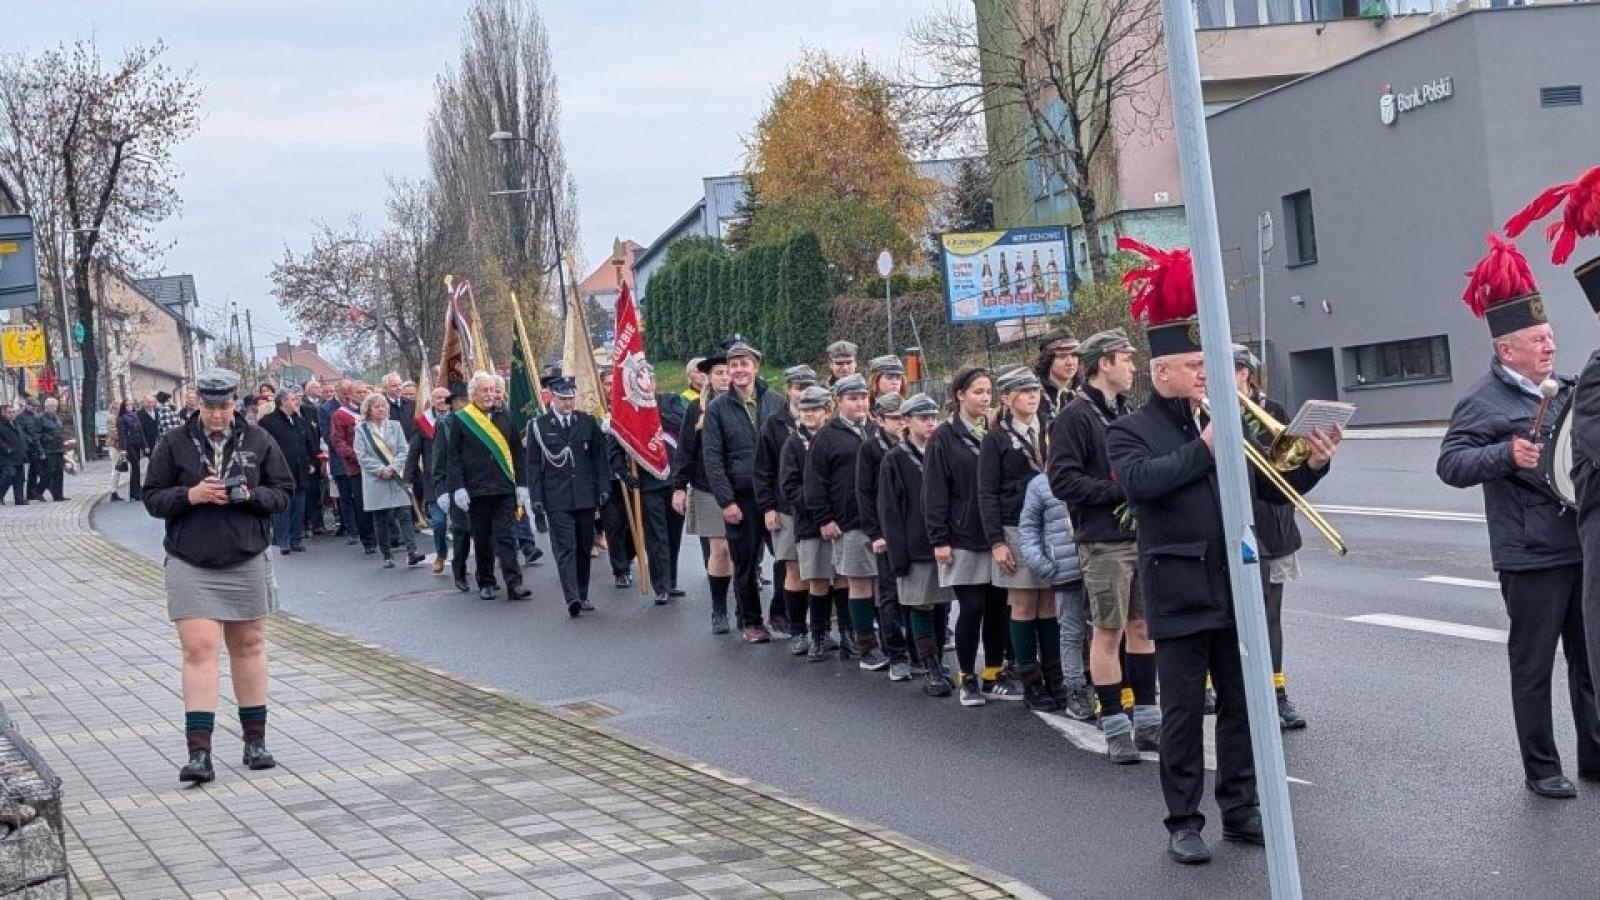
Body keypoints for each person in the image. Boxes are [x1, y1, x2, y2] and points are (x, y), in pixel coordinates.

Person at [1106, 238, 1338, 865]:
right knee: (1183, 716)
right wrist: (1206, 446)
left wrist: (1313, 464)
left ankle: (1240, 808)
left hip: (1238, 583)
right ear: (1162, 373)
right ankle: (1183, 820)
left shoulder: (1229, 420)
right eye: (1194, 366)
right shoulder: (1130, 430)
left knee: (1242, 705)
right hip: (1179, 590)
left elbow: (1271, 490)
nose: (1207, 375)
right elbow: (1140, 484)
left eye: (1208, 364)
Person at [1439, 234, 1600, 800]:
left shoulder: (1567, 388)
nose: (1550, 346)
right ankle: (1541, 767)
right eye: (1537, 340)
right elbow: (1450, 464)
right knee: (1533, 667)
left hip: (1576, 541)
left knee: (1590, 659)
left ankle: (1594, 754)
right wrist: (1504, 454)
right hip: (1530, 554)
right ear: (1507, 350)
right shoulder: (1482, 401)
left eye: (1550, 337)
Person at [141, 368, 295, 784]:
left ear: (234, 403)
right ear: (198, 404)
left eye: (224, 406)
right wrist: (190, 495)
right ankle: (200, 753)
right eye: (209, 407)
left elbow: (284, 492)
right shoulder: (174, 443)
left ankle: (255, 742)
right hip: (191, 559)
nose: (216, 414)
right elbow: (151, 497)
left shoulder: (259, 440)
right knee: (199, 649)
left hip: (245, 555)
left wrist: (250, 496)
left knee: (249, 644)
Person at [1048, 327, 1152, 762]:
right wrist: (1118, 491)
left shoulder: (1126, 410)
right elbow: (1062, 481)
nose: (1133, 367)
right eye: (1126, 359)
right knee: (1108, 632)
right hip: (1103, 540)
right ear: (1104, 363)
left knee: (1143, 628)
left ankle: (1148, 720)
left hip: (1138, 535)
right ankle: (1114, 726)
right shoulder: (1075, 416)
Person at [925, 367, 1018, 707]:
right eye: (978, 391)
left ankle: (993, 672)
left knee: (997, 606)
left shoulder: (995, 431)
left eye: (988, 391)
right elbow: (934, 490)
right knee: (972, 606)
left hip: (995, 532)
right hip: (961, 535)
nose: (985, 398)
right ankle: (967, 676)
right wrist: (939, 538)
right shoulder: (944, 437)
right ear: (960, 395)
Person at [1231, 344, 1307, 730]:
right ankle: (1230, 690)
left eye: (1233, 369)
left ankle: (1277, 693)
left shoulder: (1272, 411)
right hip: (1237, 527)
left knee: (1271, 613)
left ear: (1245, 373)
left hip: (1274, 527)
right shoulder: (1208, 412)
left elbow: (1291, 467)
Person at [979, 367, 1060, 712]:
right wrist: (996, 541)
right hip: (1014, 526)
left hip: (1050, 525)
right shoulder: (996, 439)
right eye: (1024, 392)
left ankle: (1055, 678)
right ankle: (1030, 680)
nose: (1032, 397)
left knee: (1049, 602)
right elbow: (987, 493)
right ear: (1007, 398)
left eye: (1035, 391)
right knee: (1024, 602)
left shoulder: (1051, 428)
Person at [703, 336, 788, 643]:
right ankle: (750, 620)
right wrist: (726, 501)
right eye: (734, 364)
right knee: (746, 563)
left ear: (756, 367)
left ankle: (780, 613)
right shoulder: (717, 408)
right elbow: (712, 458)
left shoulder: (776, 401)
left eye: (745, 364)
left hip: (775, 495)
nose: (739, 370)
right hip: (741, 497)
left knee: (785, 557)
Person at [806, 373, 887, 668]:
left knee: (882, 585)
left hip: (881, 520)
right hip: (849, 521)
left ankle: (887, 639)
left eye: (864, 398)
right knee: (859, 582)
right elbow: (814, 482)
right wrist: (824, 517)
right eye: (853, 399)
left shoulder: (876, 431)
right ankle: (866, 645)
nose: (860, 404)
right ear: (838, 401)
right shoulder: (826, 436)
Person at [879, 393, 955, 695]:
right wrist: (899, 555)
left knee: (941, 605)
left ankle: (936, 658)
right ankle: (928, 664)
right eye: (923, 418)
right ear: (907, 422)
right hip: (914, 545)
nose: (930, 423)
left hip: (943, 542)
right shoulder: (895, 459)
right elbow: (890, 510)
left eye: (934, 417)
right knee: (921, 604)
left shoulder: (941, 452)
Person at [527, 374, 610, 616]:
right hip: (556, 497)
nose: (568, 403)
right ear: (552, 398)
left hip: (584, 495)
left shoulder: (586, 422)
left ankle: (583, 594)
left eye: (571, 398)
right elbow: (533, 465)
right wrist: (536, 498)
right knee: (565, 547)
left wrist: (603, 488)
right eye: (563, 398)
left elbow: (599, 459)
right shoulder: (539, 426)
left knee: (584, 547)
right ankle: (572, 597)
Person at [1018, 455, 1093, 720]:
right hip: (1066, 571)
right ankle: (1075, 690)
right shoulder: (1040, 484)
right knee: (1072, 633)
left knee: (1103, 633)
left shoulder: (1092, 473)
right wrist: (1045, 565)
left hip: (1099, 566)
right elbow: (1028, 529)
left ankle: (1104, 687)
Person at [448, 371, 531, 601]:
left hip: (503, 487)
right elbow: (453, 458)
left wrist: (522, 484)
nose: (489, 395)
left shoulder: (505, 416)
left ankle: (514, 583)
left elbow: (517, 452)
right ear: (473, 393)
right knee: (483, 538)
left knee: (506, 536)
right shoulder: (461, 419)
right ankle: (486, 581)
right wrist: (458, 487)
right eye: (484, 390)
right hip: (476, 489)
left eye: (493, 390)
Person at [673, 351, 735, 633]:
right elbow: (685, 450)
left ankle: (747, 610)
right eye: (719, 373)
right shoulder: (696, 408)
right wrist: (679, 487)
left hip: (742, 487)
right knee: (720, 550)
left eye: (728, 371)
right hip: (707, 487)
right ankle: (719, 610)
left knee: (742, 552)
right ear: (708, 377)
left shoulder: (749, 405)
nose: (725, 377)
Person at [858, 391, 911, 680]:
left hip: (913, 530)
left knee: (916, 595)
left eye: (906, 417)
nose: (902, 423)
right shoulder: (870, 449)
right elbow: (864, 493)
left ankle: (920, 650)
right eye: (896, 418)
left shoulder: (915, 444)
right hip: (886, 531)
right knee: (889, 594)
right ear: (879, 420)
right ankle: (896, 654)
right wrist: (875, 533)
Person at [785, 386, 841, 661]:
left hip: (840, 520)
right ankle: (816, 636)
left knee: (842, 580)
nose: (808, 414)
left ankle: (846, 633)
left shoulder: (835, 438)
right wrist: (817, 509)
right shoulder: (794, 443)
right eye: (804, 409)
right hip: (809, 523)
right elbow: (789, 485)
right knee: (817, 580)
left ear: (827, 411)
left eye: (814, 409)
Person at [355, 392, 425, 569]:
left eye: (383, 406)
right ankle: (387, 555)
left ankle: (412, 552)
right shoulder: (361, 430)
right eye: (377, 406)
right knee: (381, 517)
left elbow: (404, 450)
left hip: (396, 476)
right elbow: (361, 455)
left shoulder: (395, 426)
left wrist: (393, 467)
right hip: (375, 479)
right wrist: (380, 469)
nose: (381, 409)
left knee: (405, 514)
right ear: (368, 410)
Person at [258, 389, 319, 555]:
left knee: (299, 506)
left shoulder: (299, 420)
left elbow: (308, 443)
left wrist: (310, 462)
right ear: (283, 402)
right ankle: (283, 540)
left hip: (300, 470)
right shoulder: (267, 422)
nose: (296, 402)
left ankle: (296, 538)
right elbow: (263, 448)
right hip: (280, 472)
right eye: (293, 399)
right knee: (283, 506)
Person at [431, 383, 476, 592]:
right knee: (461, 531)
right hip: (455, 485)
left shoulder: (480, 421)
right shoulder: (445, 425)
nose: (464, 404)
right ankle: (459, 572)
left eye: (467, 400)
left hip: (478, 484)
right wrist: (441, 490)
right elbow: (438, 460)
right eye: (460, 401)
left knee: (483, 532)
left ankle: (486, 574)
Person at [597, 365, 636, 590]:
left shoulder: (631, 406)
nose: (612, 388)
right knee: (614, 525)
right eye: (607, 383)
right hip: (606, 477)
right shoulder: (594, 413)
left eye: (615, 383)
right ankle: (621, 570)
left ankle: (629, 555)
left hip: (629, 474)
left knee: (635, 524)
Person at [408, 386, 453, 572]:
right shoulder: (422, 422)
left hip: (457, 479)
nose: (442, 401)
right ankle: (441, 554)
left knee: (461, 526)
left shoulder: (460, 418)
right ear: (432, 400)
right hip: (434, 480)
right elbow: (414, 451)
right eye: (438, 398)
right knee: (439, 522)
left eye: (445, 397)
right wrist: (407, 477)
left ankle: (461, 560)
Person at [329, 380, 376, 553]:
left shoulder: (374, 411)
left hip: (378, 465)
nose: (363, 395)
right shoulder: (340, 415)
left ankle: (388, 536)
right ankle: (368, 540)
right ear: (349, 395)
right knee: (362, 504)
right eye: (359, 392)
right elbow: (338, 441)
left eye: (365, 391)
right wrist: (357, 457)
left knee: (380, 502)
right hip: (357, 466)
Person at [1034, 331, 1081, 428]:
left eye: (1074, 355)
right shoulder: (1035, 396)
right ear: (1048, 359)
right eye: (1062, 356)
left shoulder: (1084, 390)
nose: (1070, 362)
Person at [111, 399, 145, 502]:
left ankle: (135, 492)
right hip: (128, 446)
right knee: (135, 466)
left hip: (137, 444)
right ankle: (135, 493)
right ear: (124, 407)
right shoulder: (121, 419)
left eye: (131, 404)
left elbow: (140, 431)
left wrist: (144, 445)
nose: (130, 406)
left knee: (136, 468)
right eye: (127, 405)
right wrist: (123, 449)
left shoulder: (135, 416)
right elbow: (122, 435)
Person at [35, 397, 68, 502]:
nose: (54, 409)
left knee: (59, 473)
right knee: (49, 472)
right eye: (52, 406)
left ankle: (58, 495)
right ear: (46, 406)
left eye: (55, 406)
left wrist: (64, 448)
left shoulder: (56, 418)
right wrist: (41, 451)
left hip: (58, 449)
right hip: (48, 449)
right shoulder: (40, 418)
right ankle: (38, 491)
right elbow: (36, 436)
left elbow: (59, 433)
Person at [0, 402, 30, 505]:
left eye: (13, 412)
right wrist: (6, 449)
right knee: (9, 474)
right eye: (9, 412)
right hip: (6, 456)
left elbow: (21, 436)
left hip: (19, 455)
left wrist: (25, 446)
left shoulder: (16, 423)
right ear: (4, 413)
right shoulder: (1, 424)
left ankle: (19, 499)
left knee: (20, 478)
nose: (12, 414)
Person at [18, 398, 44, 501]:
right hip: (29, 447)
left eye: (36, 407)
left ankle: (31, 493)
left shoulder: (37, 416)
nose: (34, 408)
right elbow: (21, 432)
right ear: (27, 405)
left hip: (38, 446)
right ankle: (37, 491)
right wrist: (30, 440)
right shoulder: (20, 417)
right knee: (39, 470)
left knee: (33, 472)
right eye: (33, 406)